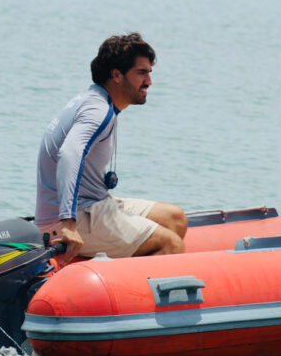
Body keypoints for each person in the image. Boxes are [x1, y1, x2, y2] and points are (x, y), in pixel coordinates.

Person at [35, 32, 187, 265]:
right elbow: (69, 153)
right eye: (141, 73)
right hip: (72, 216)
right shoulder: (98, 111)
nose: (149, 81)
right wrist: (69, 223)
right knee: (171, 245)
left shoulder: (95, 100)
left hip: (92, 203)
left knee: (175, 218)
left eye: (149, 73)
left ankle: (120, 270)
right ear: (116, 75)